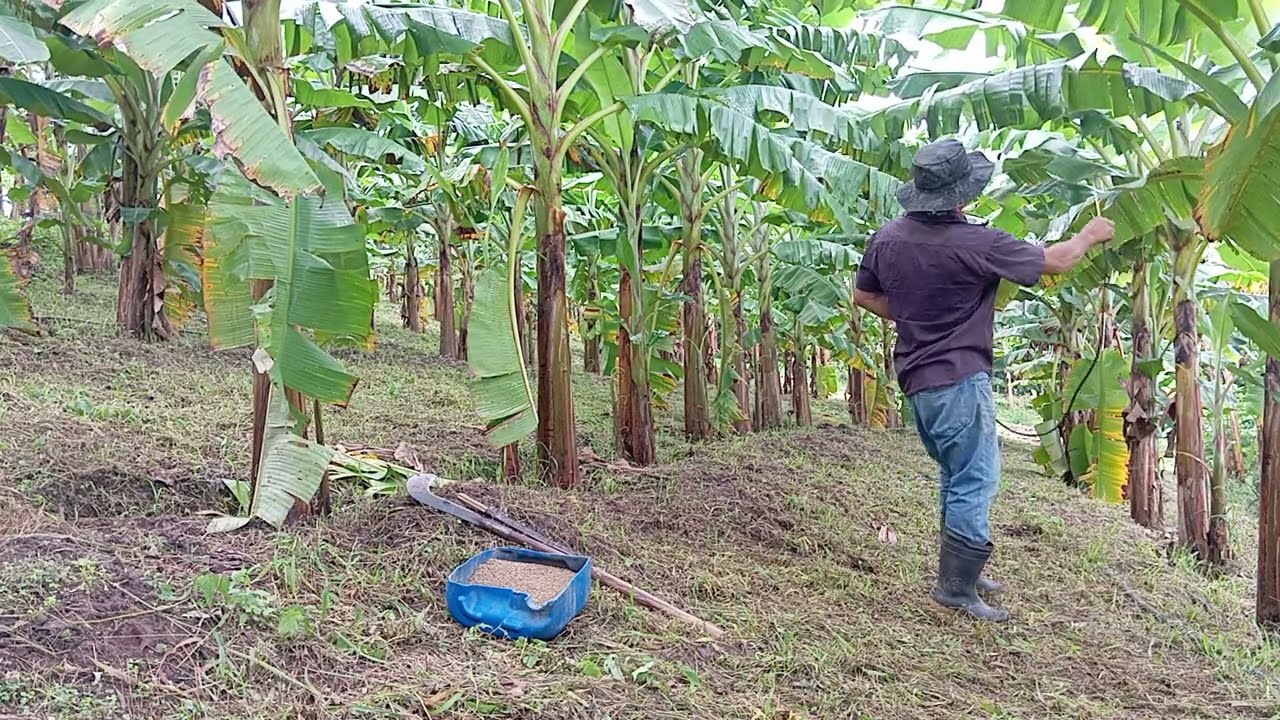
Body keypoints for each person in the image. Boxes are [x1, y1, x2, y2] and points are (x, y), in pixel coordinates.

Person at [854, 139, 1114, 621]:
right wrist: (1090, 235)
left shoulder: (886, 237)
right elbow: (1055, 261)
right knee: (975, 477)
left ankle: (963, 572)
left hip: (916, 378)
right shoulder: (979, 242)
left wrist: (916, 317)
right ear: (962, 196)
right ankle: (955, 587)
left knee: (957, 474)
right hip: (959, 380)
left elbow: (865, 297)